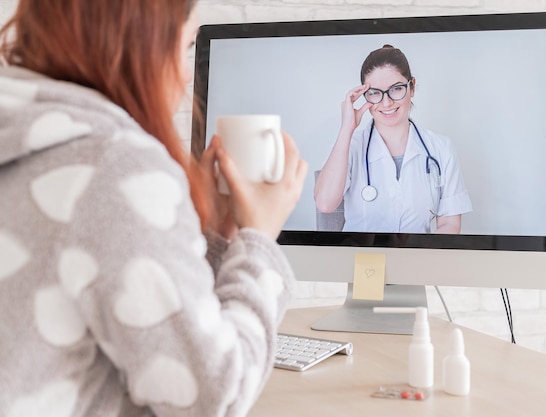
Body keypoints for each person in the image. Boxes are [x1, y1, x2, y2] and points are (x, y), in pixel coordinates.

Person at [0, 1, 307, 416]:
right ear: (140, 47)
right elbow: (213, 396)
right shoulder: (113, 168)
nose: (185, 74)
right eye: (185, 48)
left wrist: (213, 236)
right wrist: (259, 241)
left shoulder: (22, 131)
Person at [314, 44, 471, 233]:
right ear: (365, 96)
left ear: (411, 87)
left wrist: (423, 261)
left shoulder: (441, 148)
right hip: (359, 260)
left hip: (417, 258)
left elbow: (449, 224)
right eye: (374, 93)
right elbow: (325, 204)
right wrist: (347, 128)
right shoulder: (349, 145)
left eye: (396, 89)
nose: (386, 102)